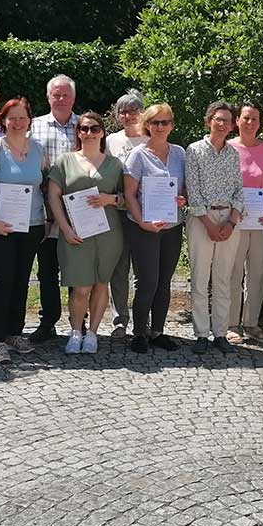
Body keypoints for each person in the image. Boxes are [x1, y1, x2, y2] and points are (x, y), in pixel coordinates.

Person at [47, 111, 126, 354]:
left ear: (102, 132)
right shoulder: (64, 161)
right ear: (78, 132)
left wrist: (109, 198)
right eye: (83, 128)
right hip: (75, 233)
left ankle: (92, 333)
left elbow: (127, 198)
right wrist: (65, 228)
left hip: (108, 234)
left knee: (101, 284)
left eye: (94, 128)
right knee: (81, 286)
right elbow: (53, 196)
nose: (88, 133)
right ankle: (75, 332)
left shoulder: (115, 165)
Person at [0, 98, 46, 364]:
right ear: (2, 121)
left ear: (29, 120)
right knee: (2, 281)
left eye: (22, 117)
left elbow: (44, 184)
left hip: (31, 225)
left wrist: (47, 218)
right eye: (11, 118)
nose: (17, 122)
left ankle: (14, 333)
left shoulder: (38, 150)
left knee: (21, 280)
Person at [123, 103, 188, 352]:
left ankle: (158, 331)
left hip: (172, 226)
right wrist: (142, 222)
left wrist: (183, 199)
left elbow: (183, 190)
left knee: (164, 281)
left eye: (165, 122)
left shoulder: (180, 153)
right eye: (155, 122)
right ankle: (139, 333)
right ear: (147, 125)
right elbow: (129, 195)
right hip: (143, 227)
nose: (160, 127)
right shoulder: (138, 155)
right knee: (147, 281)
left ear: (172, 125)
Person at [184, 101, 245, 354]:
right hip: (202, 219)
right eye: (218, 119)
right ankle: (200, 333)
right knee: (200, 278)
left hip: (229, 219)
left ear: (232, 126)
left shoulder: (233, 154)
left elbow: (239, 190)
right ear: (209, 121)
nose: (222, 124)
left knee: (223, 279)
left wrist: (231, 221)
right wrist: (208, 223)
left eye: (227, 121)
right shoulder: (194, 151)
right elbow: (193, 190)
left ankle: (220, 333)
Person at [29, 74, 79, 342]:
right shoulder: (33, 127)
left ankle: (77, 322)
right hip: (44, 210)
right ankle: (47, 321)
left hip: (77, 212)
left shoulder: (84, 127)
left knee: (76, 269)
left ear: (73, 98)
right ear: (48, 97)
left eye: (65, 94)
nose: (60, 99)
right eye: (56, 94)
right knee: (46, 269)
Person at [228, 102, 263, 344]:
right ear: (237, 120)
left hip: (259, 220)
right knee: (233, 271)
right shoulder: (227, 147)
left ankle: (252, 323)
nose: (250, 122)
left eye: (255, 118)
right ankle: (231, 323)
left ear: (260, 122)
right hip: (233, 220)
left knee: (257, 272)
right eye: (245, 118)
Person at [105, 89, 148, 339]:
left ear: (142, 112)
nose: (127, 115)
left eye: (133, 110)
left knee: (144, 268)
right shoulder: (111, 140)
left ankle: (144, 318)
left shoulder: (150, 138)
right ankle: (120, 319)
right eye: (122, 111)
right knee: (119, 268)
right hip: (118, 211)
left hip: (145, 210)